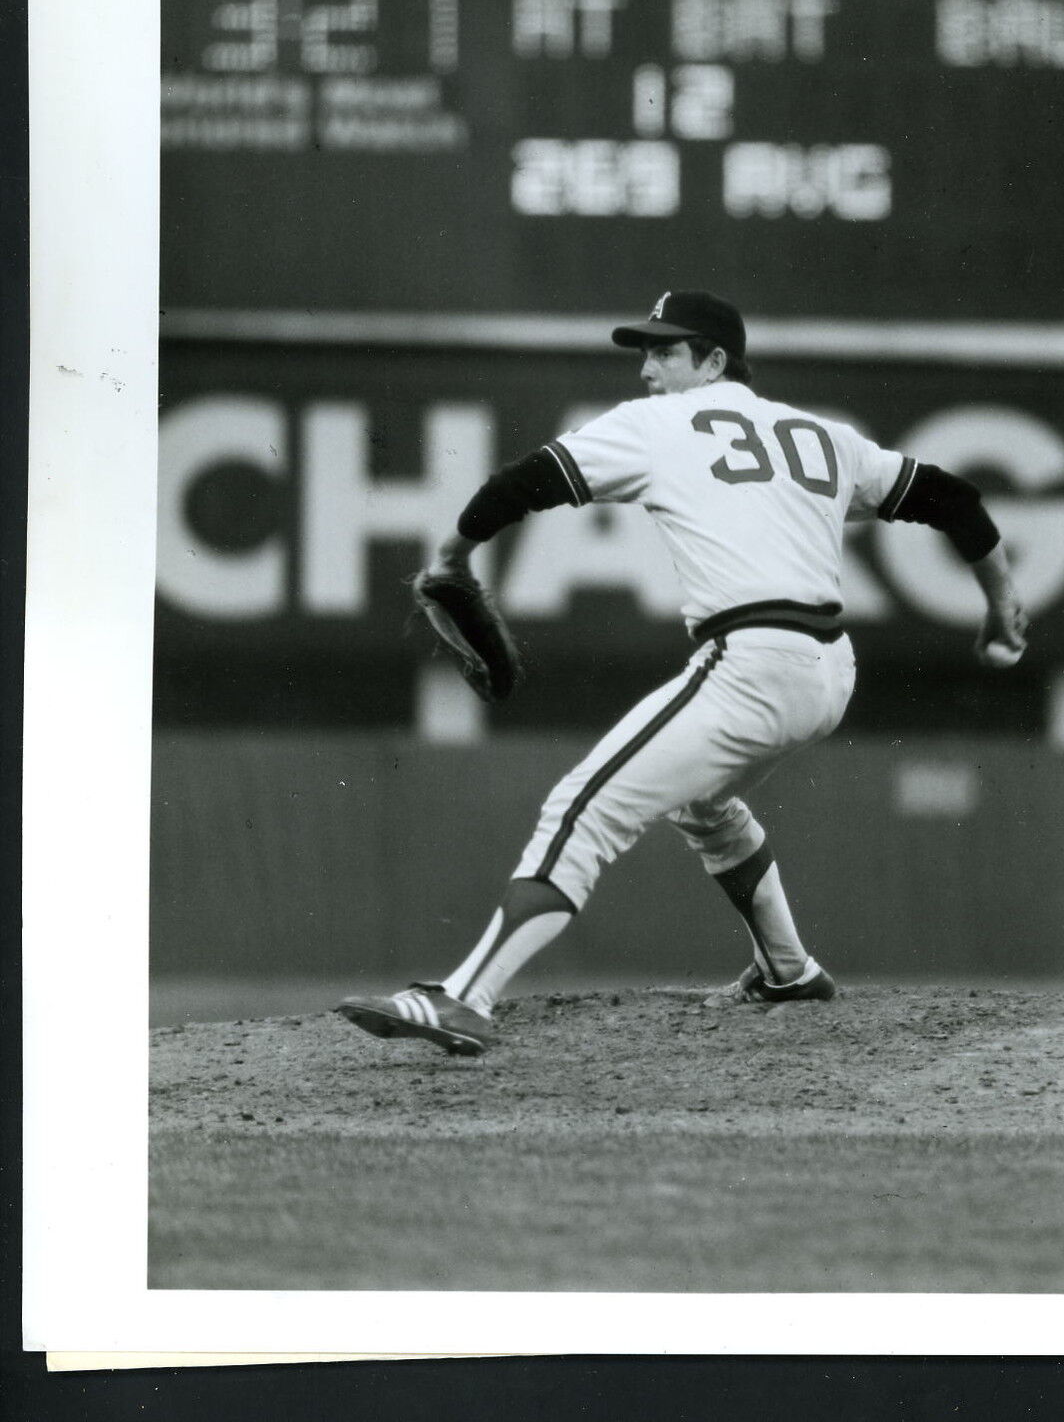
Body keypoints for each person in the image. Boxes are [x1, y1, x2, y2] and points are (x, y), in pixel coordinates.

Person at [337, 290, 1028, 1056]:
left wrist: (452, 554)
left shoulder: (658, 425)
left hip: (754, 663)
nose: (646, 369)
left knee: (581, 807)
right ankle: (789, 971)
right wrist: (1001, 605)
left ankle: (466, 1000)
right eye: (645, 351)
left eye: (665, 351)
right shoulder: (821, 438)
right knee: (703, 806)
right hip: (830, 670)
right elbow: (951, 497)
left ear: (713, 360)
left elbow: (529, 479)